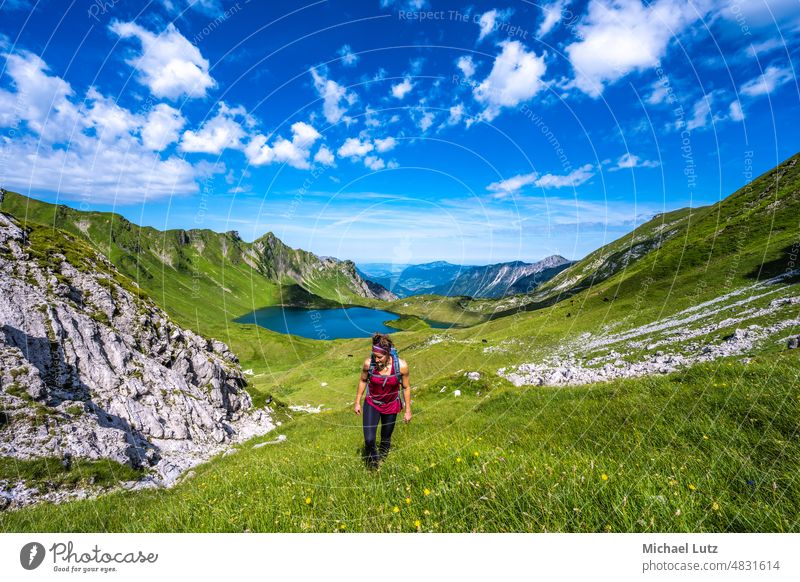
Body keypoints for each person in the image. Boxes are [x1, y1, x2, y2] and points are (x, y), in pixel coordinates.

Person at [354, 332, 412, 469]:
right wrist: (357, 402)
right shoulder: (369, 364)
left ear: (388, 354)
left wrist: (408, 410)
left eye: (379, 357)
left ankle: (383, 460)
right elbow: (363, 380)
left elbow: (406, 387)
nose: (376, 359)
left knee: (385, 438)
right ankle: (374, 466)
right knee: (369, 439)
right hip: (372, 403)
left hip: (391, 405)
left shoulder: (401, 366)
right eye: (374, 356)